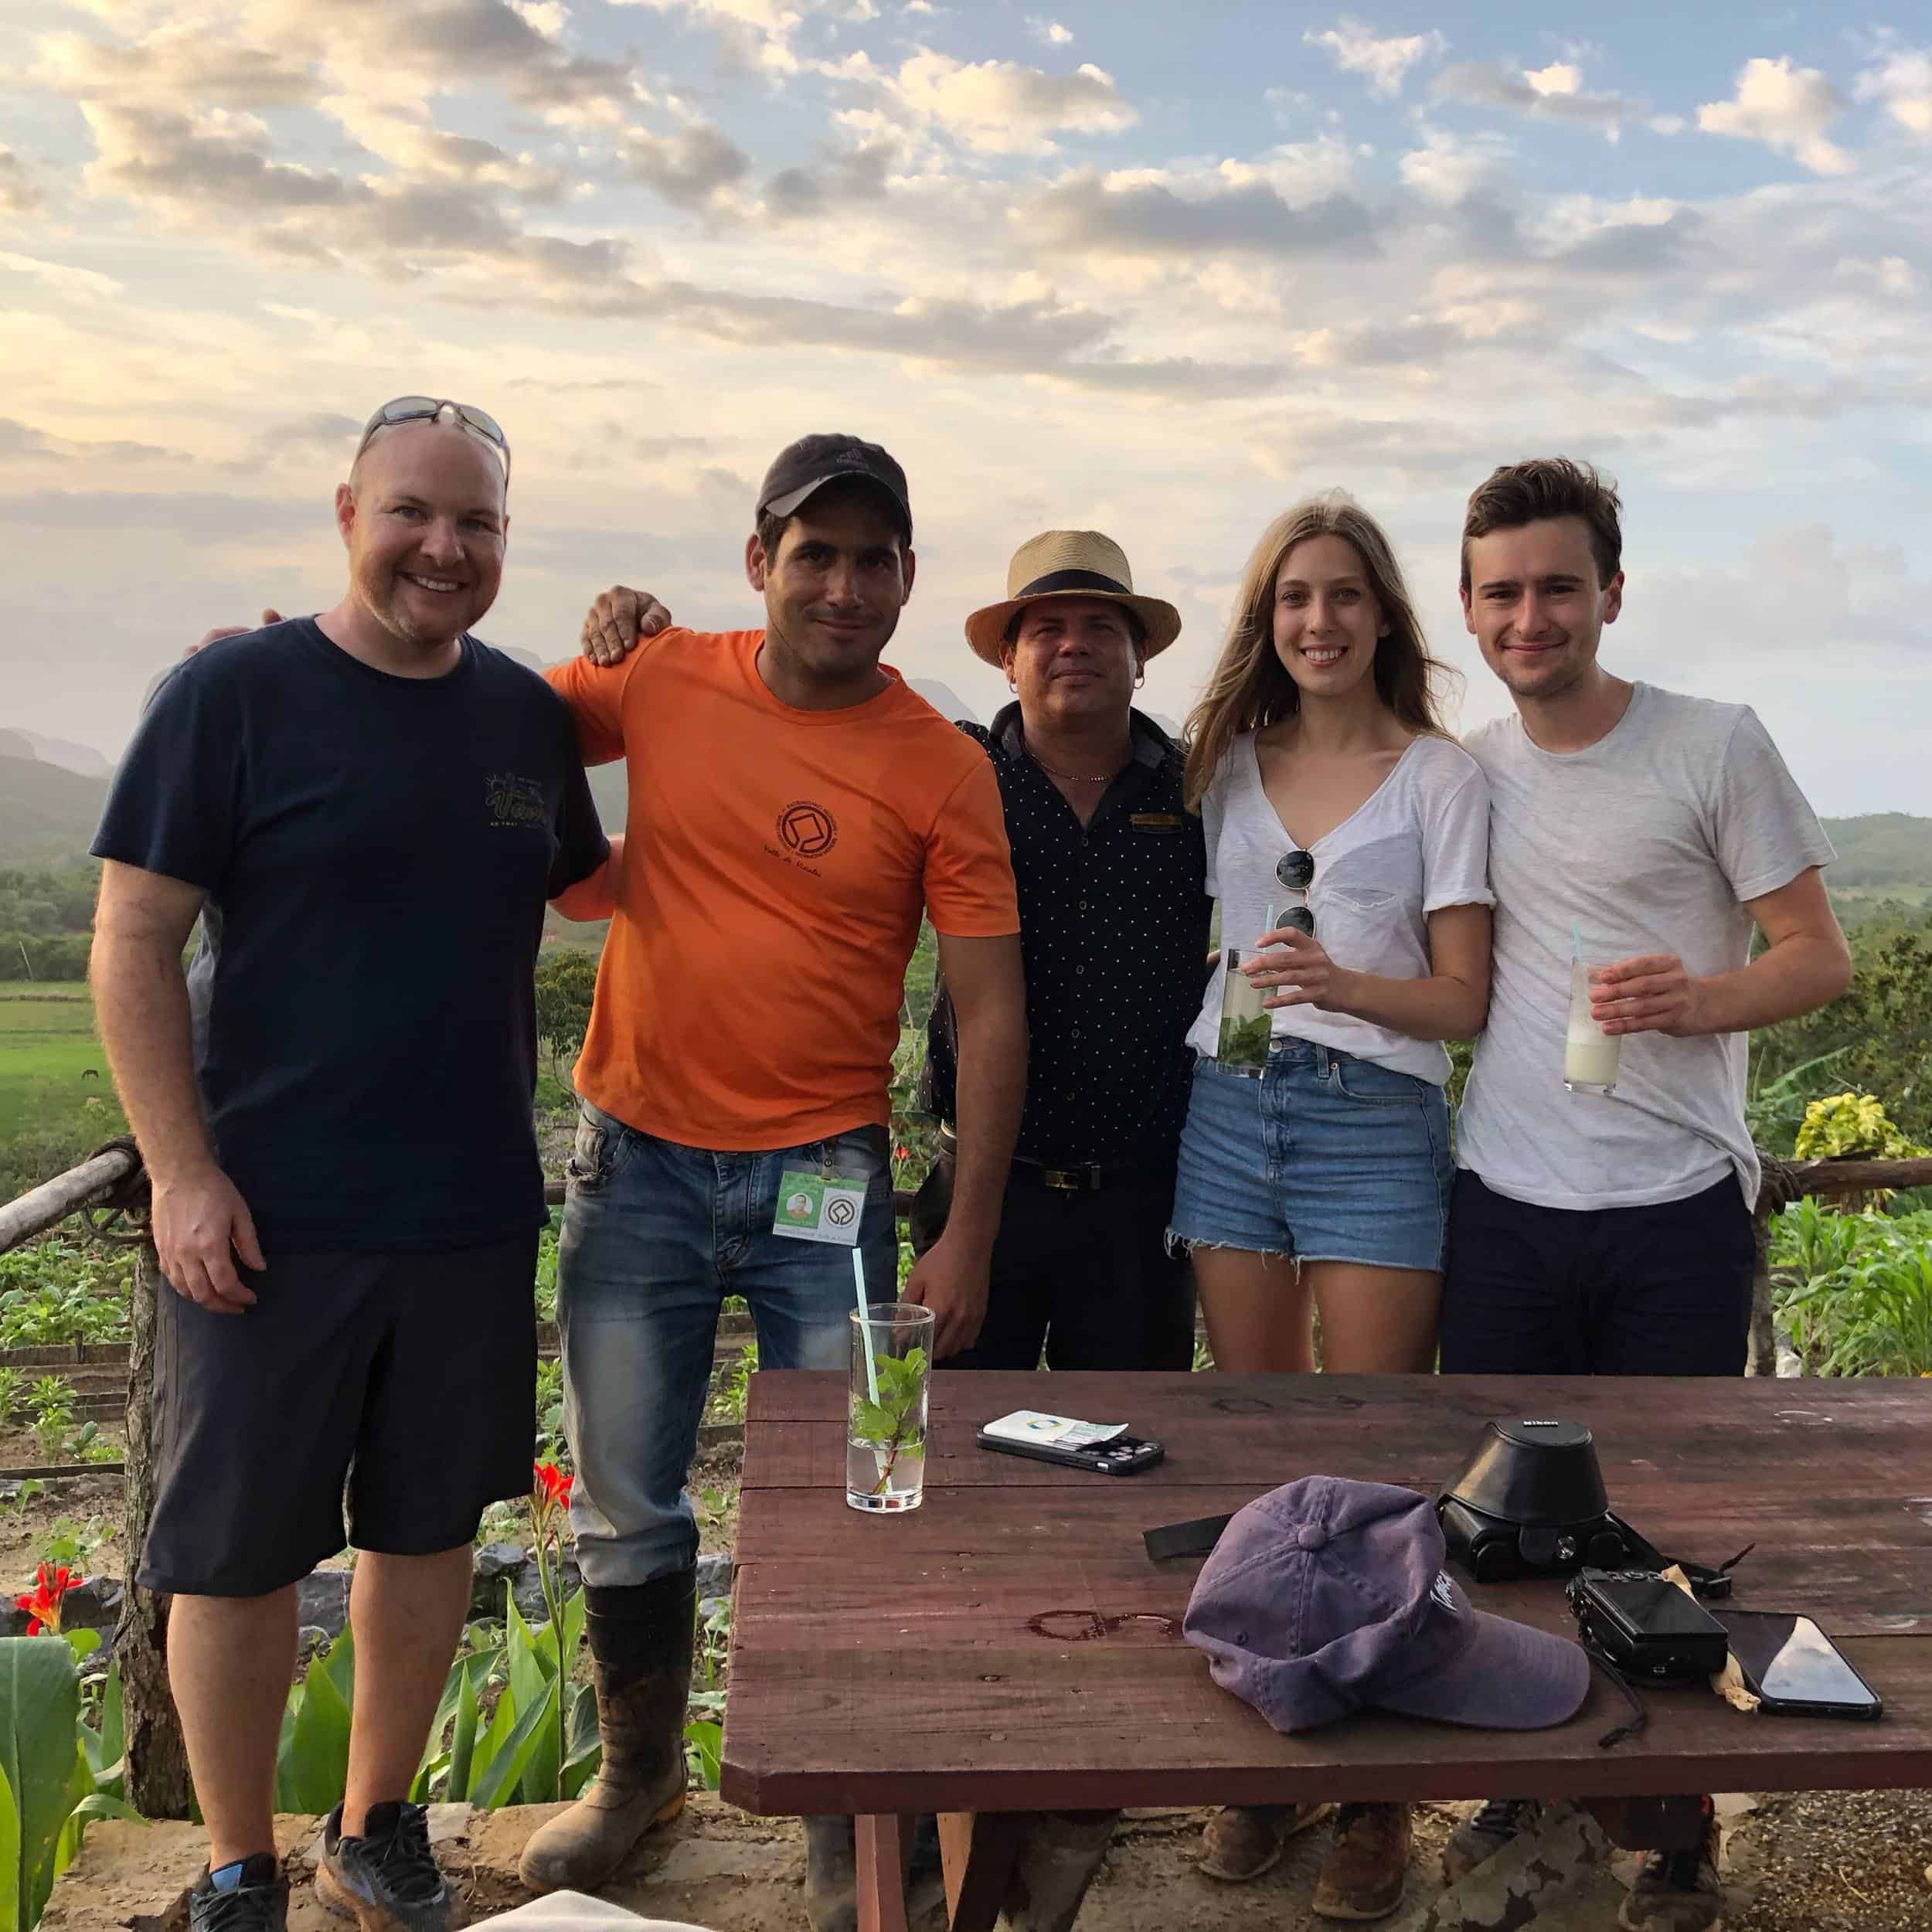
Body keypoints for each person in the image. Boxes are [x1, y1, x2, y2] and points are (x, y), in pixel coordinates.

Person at [89, 398, 611, 1932]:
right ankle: (238, 1861)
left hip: (461, 1205)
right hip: (266, 1211)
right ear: (347, 513)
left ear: (505, 541)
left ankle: (375, 1822)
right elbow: (131, 936)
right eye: (414, 513)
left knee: (427, 1527)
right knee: (237, 1544)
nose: (444, 547)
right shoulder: (235, 693)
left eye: (478, 523)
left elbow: (598, 885)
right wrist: (182, 1170)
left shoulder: (520, 717)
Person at [517, 435, 1027, 1923]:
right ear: (761, 563)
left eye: (876, 561)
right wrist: (284, 677)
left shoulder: (943, 762)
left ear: (909, 582)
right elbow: (493, 733)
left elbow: (988, 1009)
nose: (845, 586)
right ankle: (638, 1779)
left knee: (868, 1494)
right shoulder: (665, 678)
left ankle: (842, 1810)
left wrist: (968, 1226)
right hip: (636, 1164)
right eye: (816, 554)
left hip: (832, 1183)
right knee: (625, 1495)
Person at [1438, 457, 1850, 1932]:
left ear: (1612, 593)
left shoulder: (1711, 744)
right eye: (1502, 592)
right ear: (1470, 609)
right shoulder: (1470, 766)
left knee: (1667, 1523)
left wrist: (1702, 997)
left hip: (1676, 1196)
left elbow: (1818, 954)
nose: (1530, 615)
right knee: (1501, 1525)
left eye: (1558, 586)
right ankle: (1529, 1771)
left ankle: (1671, 1818)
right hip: (1503, 1192)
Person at [1172, 493, 1494, 1922]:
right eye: (1295, 597)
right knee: (1254, 1453)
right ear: (1268, 616)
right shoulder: (1224, 765)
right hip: (1231, 1110)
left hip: (1375, 1118)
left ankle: (1378, 1805)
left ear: (1383, 614)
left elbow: (1464, 997)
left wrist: (1342, 986)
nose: (1319, 620)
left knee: (1372, 1463)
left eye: (1344, 595)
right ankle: (1269, 1765)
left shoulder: (1439, 776)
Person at [910, 529, 1205, 1371]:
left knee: (1129, 1457)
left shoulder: (1196, 792)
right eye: (1046, 628)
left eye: (1100, 626)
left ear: (1139, 656)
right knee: (960, 1452)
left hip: (1140, 1200)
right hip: (982, 1188)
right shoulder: (956, 774)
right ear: (1008, 658)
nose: (1074, 645)